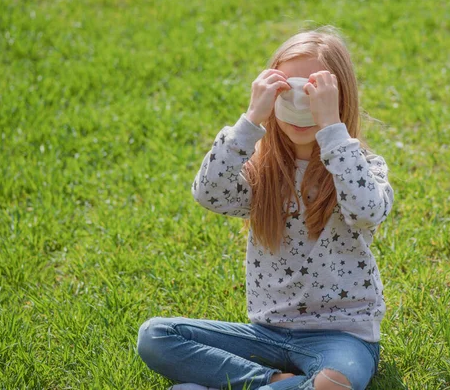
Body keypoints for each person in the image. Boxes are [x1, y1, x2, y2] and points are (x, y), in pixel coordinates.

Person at [137, 26, 394, 390]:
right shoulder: (264, 170)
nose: (300, 105)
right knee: (156, 336)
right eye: (286, 91)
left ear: (339, 97)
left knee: (333, 385)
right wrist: (250, 120)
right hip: (266, 334)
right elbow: (208, 193)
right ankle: (273, 382)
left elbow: (367, 210)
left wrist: (332, 128)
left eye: (313, 92)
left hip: (342, 338)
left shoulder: (360, 166)